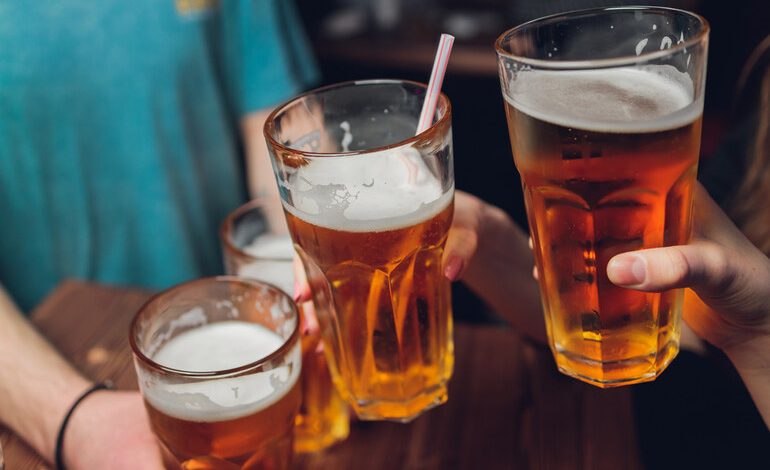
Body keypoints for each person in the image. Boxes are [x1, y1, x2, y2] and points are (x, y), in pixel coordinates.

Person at [0, 1, 316, 468]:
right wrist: (72, 422)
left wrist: (324, 264)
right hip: (38, 382)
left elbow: (281, 129)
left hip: (238, 352)